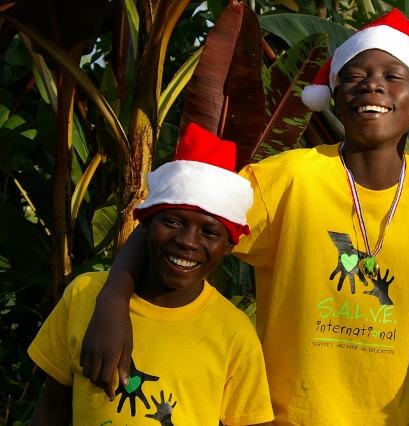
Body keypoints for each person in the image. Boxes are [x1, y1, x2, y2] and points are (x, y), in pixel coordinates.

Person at [80, 10, 409, 425]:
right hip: (282, 416)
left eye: (393, 77)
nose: (373, 87)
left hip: (389, 417)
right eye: (356, 76)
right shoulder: (285, 178)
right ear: (335, 94)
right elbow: (176, 223)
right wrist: (111, 298)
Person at [28, 123, 274, 425]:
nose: (188, 241)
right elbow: (53, 408)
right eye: (172, 222)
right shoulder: (84, 296)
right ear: (145, 224)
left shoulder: (234, 333)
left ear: (228, 246)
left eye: (210, 231)